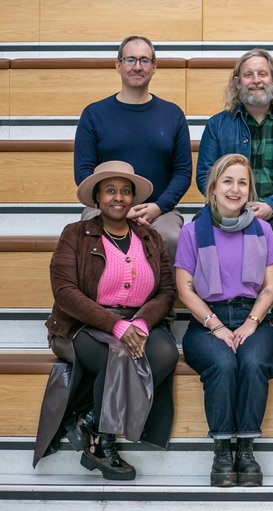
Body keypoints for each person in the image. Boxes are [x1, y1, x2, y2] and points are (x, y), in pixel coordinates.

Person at [33, 161, 178, 481]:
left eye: (126, 191)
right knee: (120, 354)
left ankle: (89, 419)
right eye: (110, 190)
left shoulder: (150, 237)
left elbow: (167, 291)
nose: (118, 197)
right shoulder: (75, 234)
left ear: (133, 199)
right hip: (81, 325)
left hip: (138, 321)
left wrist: (140, 323)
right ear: (97, 198)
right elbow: (65, 292)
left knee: (166, 353)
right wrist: (115, 326)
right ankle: (102, 441)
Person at [176, 154, 273, 487]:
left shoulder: (263, 229)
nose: (235, 189)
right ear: (213, 187)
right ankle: (223, 450)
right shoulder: (193, 231)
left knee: (252, 362)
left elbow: (270, 287)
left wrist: (251, 322)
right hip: (208, 320)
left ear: (250, 189)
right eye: (228, 181)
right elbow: (186, 289)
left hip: (254, 316)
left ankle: (246, 450)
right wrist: (217, 326)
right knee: (222, 364)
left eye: (242, 182)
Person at [195, 48, 273, 346]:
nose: (256, 80)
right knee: (197, 231)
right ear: (237, 82)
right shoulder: (217, 124)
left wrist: (271, 205)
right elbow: (204, 176)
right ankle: (212, 313)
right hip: (227, 207)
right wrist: (232, 204)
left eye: (262, 73)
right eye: (248, 74)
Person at [74, 35, 192, 263]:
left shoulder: (172, 115)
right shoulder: (94, 114)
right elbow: (84, 171)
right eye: (130, 60)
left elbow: (183, 172)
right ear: (118, 65)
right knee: (89, 237)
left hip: (159, 210)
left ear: (154, 67)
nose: (137, 66)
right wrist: (115, 207)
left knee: (171, 236)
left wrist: (158, 207)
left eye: (144, 60)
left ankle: (163, 299)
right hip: (104, 207)